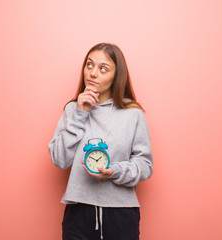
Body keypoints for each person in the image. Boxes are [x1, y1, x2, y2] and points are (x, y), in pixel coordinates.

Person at [48, 42, 153, 240]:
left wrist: (115, 171)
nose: (93, 73)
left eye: (103, 69)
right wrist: (80, 114)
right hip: (79, 212)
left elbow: (145, 165)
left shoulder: (133, 114)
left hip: (121, 213)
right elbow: (60, 160)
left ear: (116, 76)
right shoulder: (72, 110)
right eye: (89, 65)